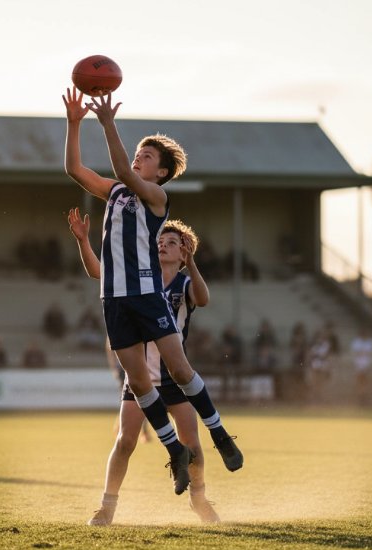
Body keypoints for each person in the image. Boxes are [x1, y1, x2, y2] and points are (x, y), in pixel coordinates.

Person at [63, 87, 242, 496]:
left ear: (160, 172)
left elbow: (125, 171)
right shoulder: (115, 192)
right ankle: (174, 450)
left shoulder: (156, 197)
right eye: (138, 152)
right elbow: (75, 169)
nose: (139, 158)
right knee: (140, 384)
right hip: (114, 300)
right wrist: (74, 124)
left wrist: (108, 124)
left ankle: (219, 434)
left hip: (146, 295)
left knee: (179, 371)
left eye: (147, 155)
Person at [69, 209, 219, 525]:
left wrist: (192, 265)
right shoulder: (139, 277)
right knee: (125, 442)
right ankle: (107, 508)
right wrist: (84, 241)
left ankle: (200, 499)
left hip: (175, 379)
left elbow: (203, 299)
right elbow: (99, 272)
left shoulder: (185, 283)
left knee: (192, 443)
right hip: (140, 379)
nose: (162, 245)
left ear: (184, 251)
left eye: (172, 242)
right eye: (160, 241)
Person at [350, 328, 372, 405]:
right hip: (358, 365)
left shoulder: (369, 342)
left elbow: (371, 352)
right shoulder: (356, 342)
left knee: (366, 382)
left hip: (367, 365)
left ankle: (365, 397)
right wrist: (363, 352)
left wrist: (362, 352)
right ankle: (360, 397)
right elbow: (356, 352)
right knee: (359, 381)